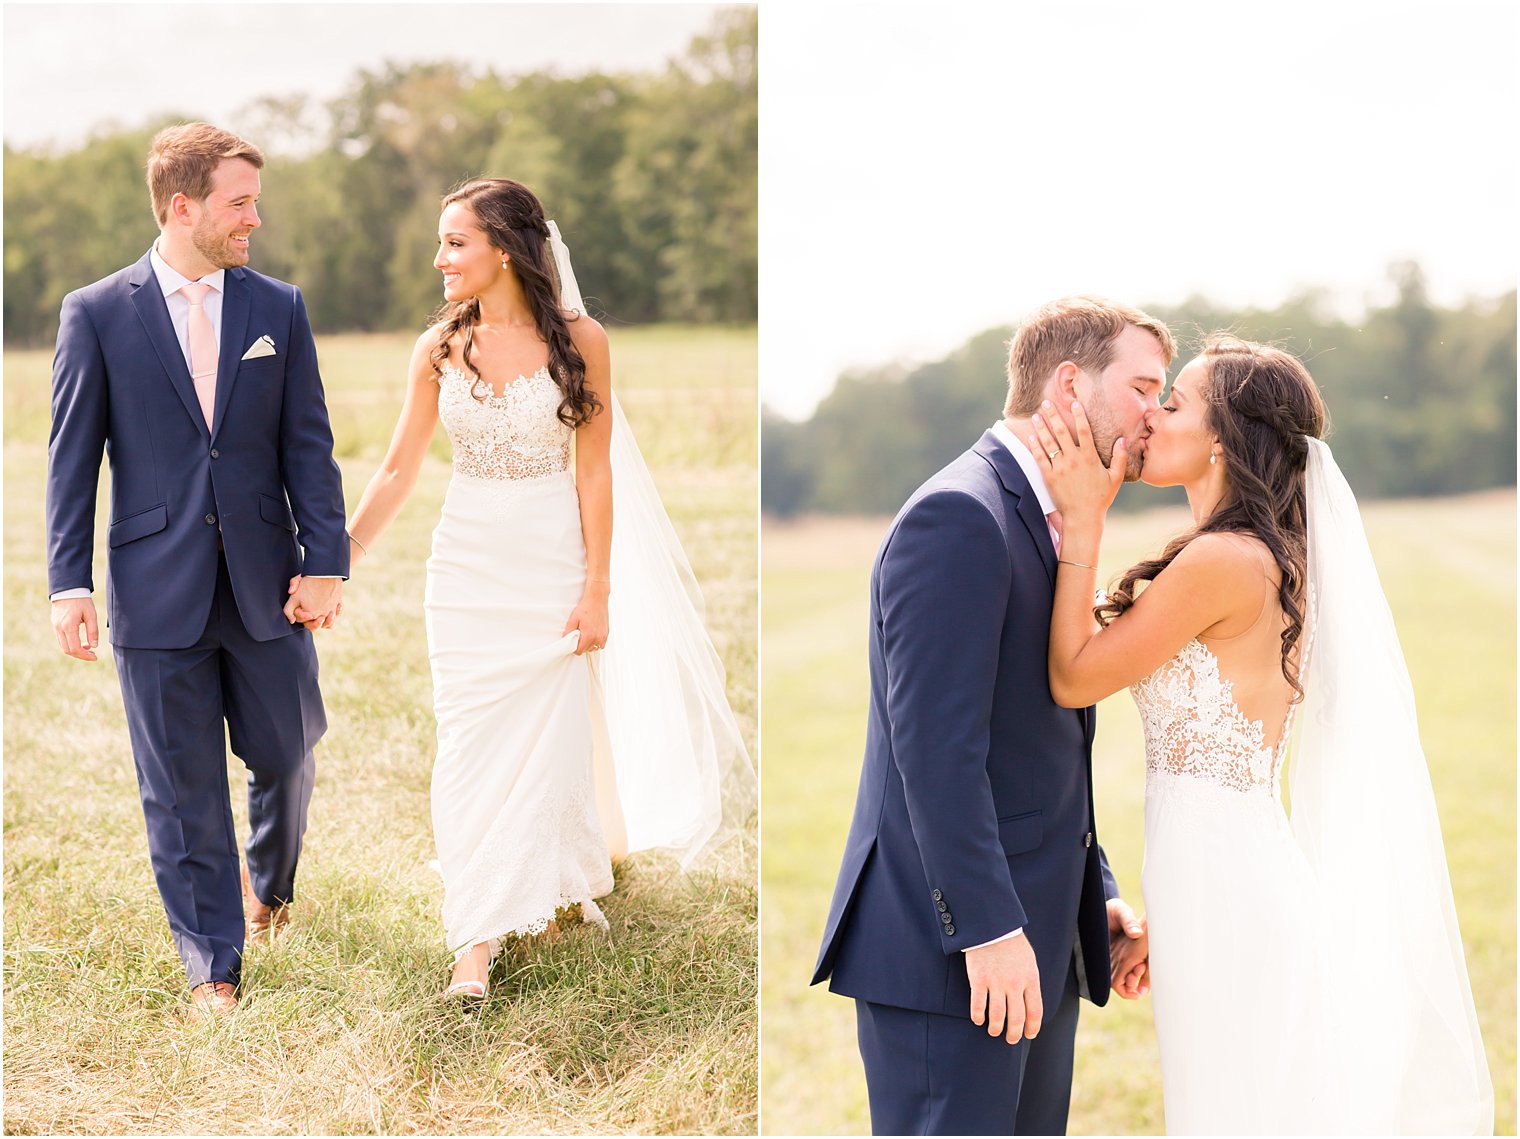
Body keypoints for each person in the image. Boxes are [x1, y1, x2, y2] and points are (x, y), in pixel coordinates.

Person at [1030, 334, 1493, 1133]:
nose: (1149, 417)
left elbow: (1073, 675)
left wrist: (1082, 519)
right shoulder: (1250, 553)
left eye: (1172, 404)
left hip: (1229, 893)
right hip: (1212, 885)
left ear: (1219, 438)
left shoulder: (1226, 561)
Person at [343, 177, 753, 999]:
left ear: (504, 247)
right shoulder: (436, 349)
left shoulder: (583, 339)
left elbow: (593, 470)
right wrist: (338, 557)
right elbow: (397, 467)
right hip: (463, 569)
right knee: (468, 744)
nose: (439, 259)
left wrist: (598, 586)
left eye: (455, 242)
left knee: (551, 740)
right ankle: (477, 931)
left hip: (551, 563)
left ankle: (527, 902)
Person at [812, 297, 1169, 1135]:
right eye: (1145, 387)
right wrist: (986, 930)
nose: (1156, 413)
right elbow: (934, 753)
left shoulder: (1050, 518)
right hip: (958, 961)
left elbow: (1031, 746)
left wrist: (1096, 892)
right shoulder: (961, 514)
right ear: (1071, 384)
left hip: (1033, 936)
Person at [45, 123, 347, 1018]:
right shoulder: (96, 312)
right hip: (154, 587)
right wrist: (69, 584)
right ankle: (213, 969)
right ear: (183, 207)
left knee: (288, 756)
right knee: (180, 791)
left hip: (268, 583)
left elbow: (309, 446)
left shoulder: (277, 308)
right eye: (239, 202)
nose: (255, 218)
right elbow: (71, 458)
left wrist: (324, 561)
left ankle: (270, 887)